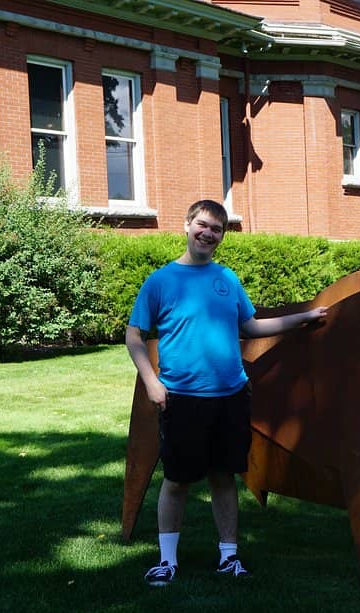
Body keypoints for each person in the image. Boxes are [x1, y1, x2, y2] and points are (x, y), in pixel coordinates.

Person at [126, 199, 327, 586]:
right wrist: (151, 380)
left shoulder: (227, 279)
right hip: (182, 397)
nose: (208, 233)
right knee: (178, 479)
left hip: (231, 396)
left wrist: (302, 318)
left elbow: (250, 327)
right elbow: (134, 335)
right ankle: (167, 562)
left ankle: (228, 557)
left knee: (224, 476)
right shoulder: (161, 281)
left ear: (221, 237)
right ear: (187, 226)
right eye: (202, 225)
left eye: (216, 229)